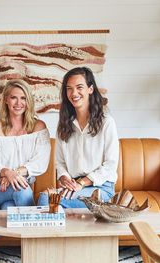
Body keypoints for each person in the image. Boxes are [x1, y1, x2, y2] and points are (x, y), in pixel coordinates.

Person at [38, 67, 119, 208]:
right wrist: (65, 178)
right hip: (75, 186)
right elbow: (60, 163)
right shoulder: (64, 124)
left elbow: (110, 165)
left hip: (101, 188)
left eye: (79, 87)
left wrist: (82, 183)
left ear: (90, 89)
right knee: (45, 197)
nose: (74, 93)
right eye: (69, 88)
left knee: (47, 200)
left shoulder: (107, 122)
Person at [0, 79, 51, 210]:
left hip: (19, 185)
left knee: (8, 208)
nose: (19, 103)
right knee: (23, 190)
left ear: (28, 101)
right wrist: (6, 172)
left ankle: (0, 229)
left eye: (23, 98)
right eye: (13, 98)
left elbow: (40, 162)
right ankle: (36, 229)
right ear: (6, 100)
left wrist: (14, 174)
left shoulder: (38, 127)